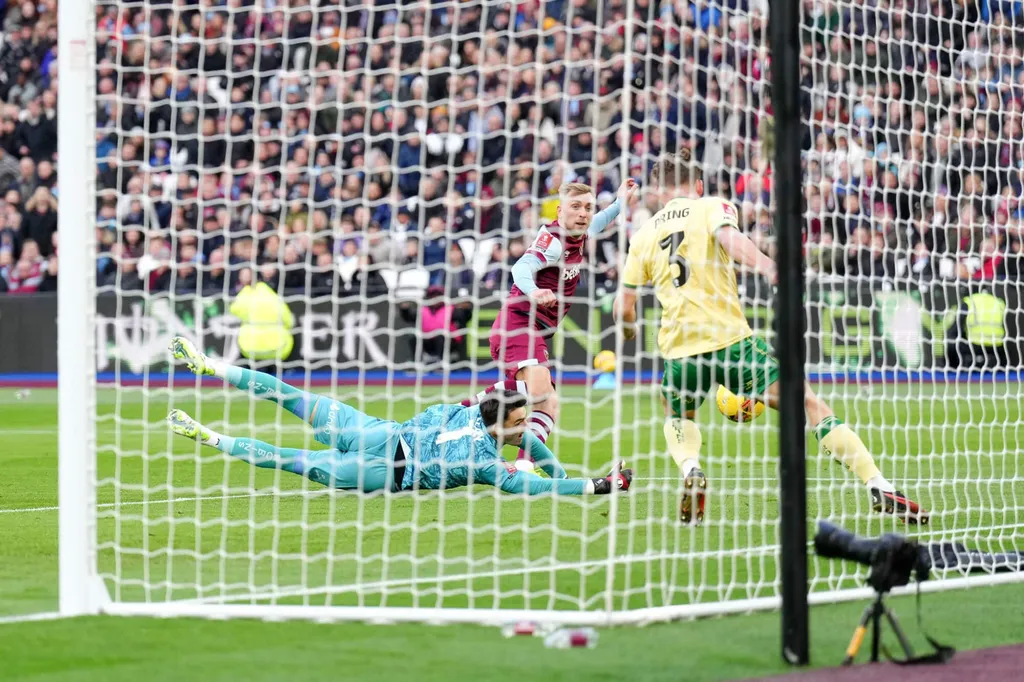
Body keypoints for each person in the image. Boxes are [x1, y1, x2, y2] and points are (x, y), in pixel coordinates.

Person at [614, 152, 927, 525]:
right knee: (808, 403)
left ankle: (691, 469)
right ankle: (877, 483)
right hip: (731, 342)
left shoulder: (644, 234)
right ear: (697, 185)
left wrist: (631, 330)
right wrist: (767, 266)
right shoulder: (711, 206)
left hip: (680, 350)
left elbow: (624, 307)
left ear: (657, 193)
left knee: (677, 413)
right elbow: (730, 239)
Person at [167, 336, 632, 496]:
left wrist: (542, 456)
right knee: (290, 456)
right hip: (382, 464)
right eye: (522, 422)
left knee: (291, 398)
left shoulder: (467, 410)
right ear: (508, 425)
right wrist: (594, 485)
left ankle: (211, 375)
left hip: (376, 439)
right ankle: (209, 429)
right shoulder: (490, 467)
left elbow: (533, 449)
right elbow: (543, 480)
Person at [472, 178, 640, 472]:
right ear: (560, 210)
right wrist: (533, 290)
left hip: (535, 331)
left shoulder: (581, 232)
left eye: (587, 207)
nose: (583, 213)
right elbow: (521, 267)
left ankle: (518, 462)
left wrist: (619, 203)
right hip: (519, 323)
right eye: (576, 207)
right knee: (539, 392)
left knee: (549, 405)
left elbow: (598, 223)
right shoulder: (552, 240)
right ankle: (484, 432)